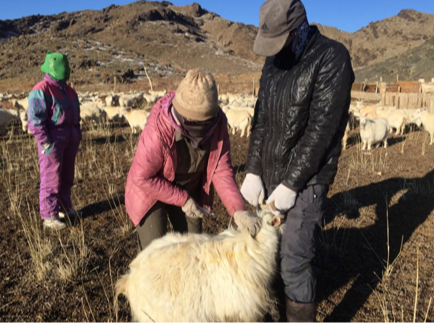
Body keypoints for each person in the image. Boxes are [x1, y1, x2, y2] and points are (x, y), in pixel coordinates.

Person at [241, 0, 355, 322]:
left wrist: (291, 183)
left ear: (298, 28)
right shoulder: (273, 62)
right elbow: (261, 118)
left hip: (309, 177)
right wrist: (252, 168)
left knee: (294, 257)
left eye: (280, 41)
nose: (274, 51)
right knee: (268, 250)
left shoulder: (332, 58)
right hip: (271, 170)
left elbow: (322, 131)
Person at [125, 69, 261, 250]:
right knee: (156, 251)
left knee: (195, 248)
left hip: (189, 188)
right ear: (183, 116)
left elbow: (221, 170)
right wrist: (182, 199)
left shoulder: (218, 123)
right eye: (195, 123)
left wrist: (238, 210)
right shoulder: (158, 129)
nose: (202, 131)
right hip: (151, 193)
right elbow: (142, 177)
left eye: (206, 123)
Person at [28, 52, 82, 230]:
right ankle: (49, 215)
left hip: (69, 139)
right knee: (51, 176)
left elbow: (76, 117)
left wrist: (76, 134)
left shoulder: (69, 91)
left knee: (67, 176)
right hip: (52, 140)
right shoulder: (41, 90)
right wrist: (45, 142)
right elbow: (35, 120)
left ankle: (64, 208)